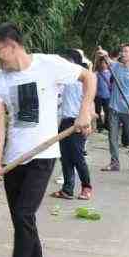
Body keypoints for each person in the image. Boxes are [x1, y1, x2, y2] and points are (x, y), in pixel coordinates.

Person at [0, 23, 95, 257]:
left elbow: (88, 77)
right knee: (22, 219)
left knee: (23, 214)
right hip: (13, 158)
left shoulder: (49, 64)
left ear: (12, 44)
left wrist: (85, 109)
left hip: (43, 155)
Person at [52, 50, 93, 201]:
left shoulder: (83, 81)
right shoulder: (64, 81)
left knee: (77, 157)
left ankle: (86, 187)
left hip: (79, 122)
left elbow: (90, 103)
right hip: (65, 122)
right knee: (65, 157)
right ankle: (67, 189)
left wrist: (87, 121)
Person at [98, 44, 129, 174]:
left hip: (128, 110)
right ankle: (114, 163)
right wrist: (104, 53)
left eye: (126, 51)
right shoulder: (115, 66)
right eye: (122, 51)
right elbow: (107, 58)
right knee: (112, 137)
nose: (123, 53)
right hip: (114, 108)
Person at [93, 52, 111, 132]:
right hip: (98, 96)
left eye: (104, 63)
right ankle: (99, 126)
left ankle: (107, 125)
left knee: (108, 112)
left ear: (107, 64)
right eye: (102, 63)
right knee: (98, 112)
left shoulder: (111, 73)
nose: (103, 65)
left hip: (108, 96)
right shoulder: (97, 73)